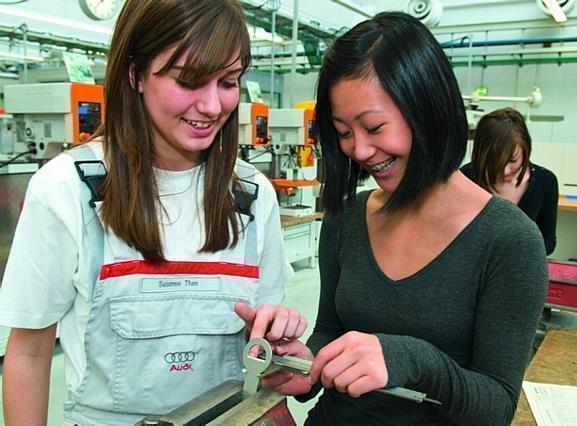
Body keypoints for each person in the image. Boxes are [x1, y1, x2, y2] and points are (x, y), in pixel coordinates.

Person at [0, 1, 306, 425]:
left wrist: (281, 348)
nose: (214, 106)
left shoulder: (252, 196)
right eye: (189, 81)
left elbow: (265, 347)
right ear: (135, 73)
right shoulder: (65, 189)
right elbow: (30, 353)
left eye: (228, 82)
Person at [261, 11, 548, 425]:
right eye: (343, 132)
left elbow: (497, 407)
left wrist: (414, 359)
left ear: (427, 108)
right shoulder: (349, 217)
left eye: (374, 127)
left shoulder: (508, 240)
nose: (358, 151)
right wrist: (307, 365)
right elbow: (330, 330)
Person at [461, 107, 559, 255]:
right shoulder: (466, 177)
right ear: (480, 153)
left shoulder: (545, 182)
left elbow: (548, 243)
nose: (505, 170)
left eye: (512, 160)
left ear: (526, 150)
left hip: (520, 270)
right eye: (494, 161)